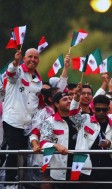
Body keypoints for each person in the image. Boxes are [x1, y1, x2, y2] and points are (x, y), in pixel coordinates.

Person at [2, 49, 42, 188]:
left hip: (27, 124)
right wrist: (15, 62)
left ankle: (20, 182)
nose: (33, 59)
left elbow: (35, 102)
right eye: (30, 56)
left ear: (38, 60)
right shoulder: (18, 71)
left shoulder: (38, 80)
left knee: (23, 155)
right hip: (12, 119)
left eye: (36, 57)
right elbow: (11, 74)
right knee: (13, 151)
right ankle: (9, 183)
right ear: (24, 58)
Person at [69, 84, 112, 189]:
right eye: (98, 109)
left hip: (107, 167)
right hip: (85, 166)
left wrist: (109, 144)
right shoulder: (85, 119)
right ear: (93, 108)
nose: (101, 112)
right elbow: (72, 114)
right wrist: (76, 96)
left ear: (108, 109)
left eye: (104, 110)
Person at [40, 92, 76, 188]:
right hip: (59, 167)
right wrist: (56, 146)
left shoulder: (77, 119)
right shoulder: (49, 121)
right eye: (65, 99)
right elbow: (43, 143)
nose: (69, 101)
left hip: (78, 166)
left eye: (69, 99)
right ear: (56, 104)